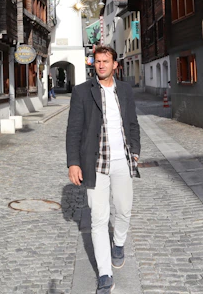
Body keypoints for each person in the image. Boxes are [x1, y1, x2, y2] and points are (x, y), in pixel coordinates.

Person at [66, 45, 140, 294]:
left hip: (122, 161)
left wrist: (136, 149)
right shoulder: (82, 92)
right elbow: (73, 130)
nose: (101, 65)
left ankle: (118, 243)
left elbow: (132, 123)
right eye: (97, 61)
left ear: (115, 65)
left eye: (105, 61)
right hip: (94, 164)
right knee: (98, 219)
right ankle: (105, 275)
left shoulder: (126, 90)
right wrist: (73, 163)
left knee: (124, 209)